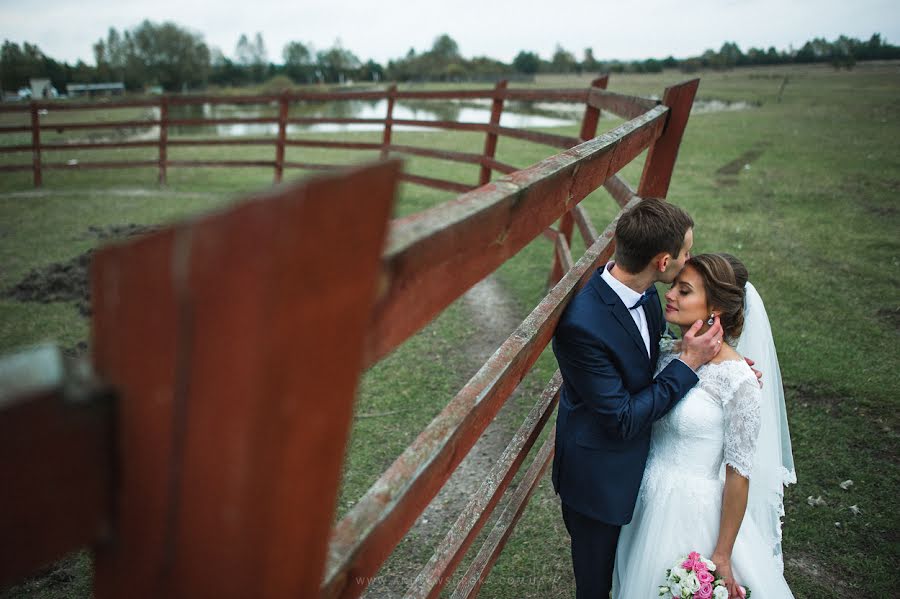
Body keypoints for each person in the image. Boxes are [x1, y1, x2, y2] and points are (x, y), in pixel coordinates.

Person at [551, 198, 725, 598]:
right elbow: (623, 418)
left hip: (645, 469)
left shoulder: (646, 294)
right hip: (598, 480)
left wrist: (720, 365)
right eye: (686, 252)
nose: (690, 258)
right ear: (663, 262)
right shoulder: (582, 326)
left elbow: (650, 355)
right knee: (597, 587)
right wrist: (690, 364)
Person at [612, 253, 795, 598]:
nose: (669, 295)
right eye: (675, 287)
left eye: (684, 291)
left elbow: (739, 474)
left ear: (715, 310)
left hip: (692, 511)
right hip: (644, 499)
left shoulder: (738, 379)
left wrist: (723, 552)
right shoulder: (664, 353)